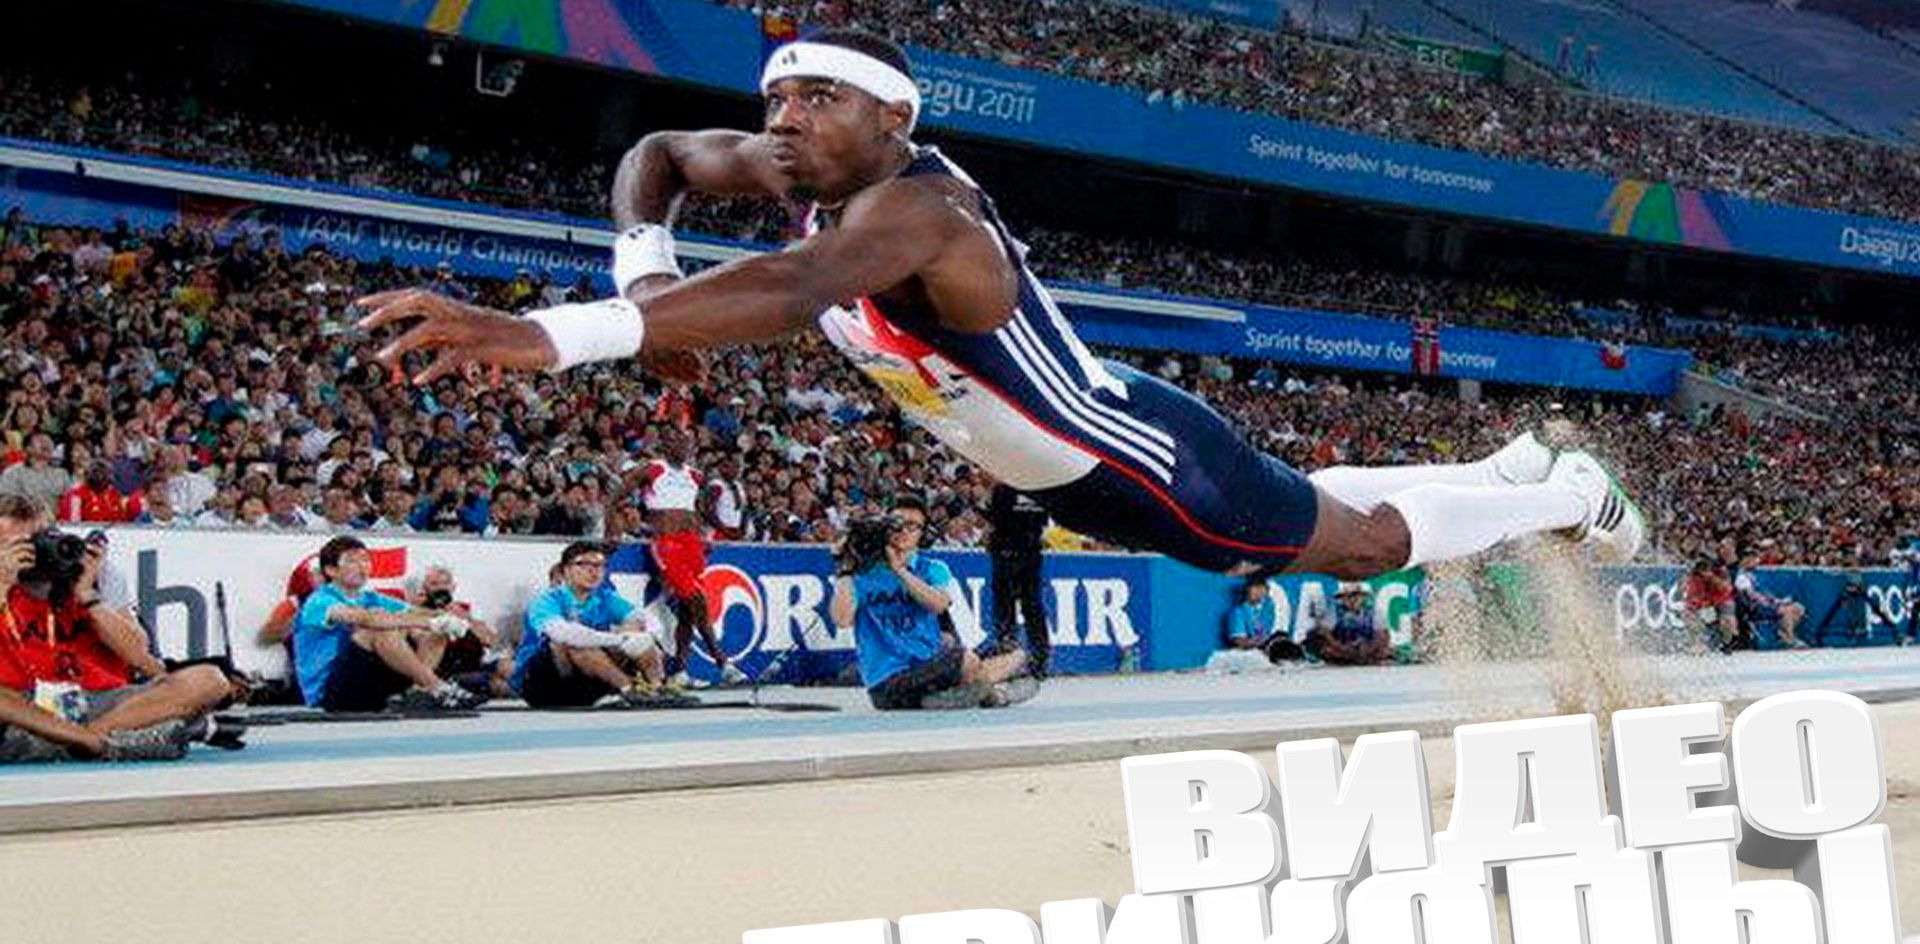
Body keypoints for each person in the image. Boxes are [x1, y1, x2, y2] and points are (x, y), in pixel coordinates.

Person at [354, 29, 1643, 585]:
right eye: (778, 98)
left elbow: (795, 288)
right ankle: (1506, 471)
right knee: (1310, 500)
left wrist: (552, 336)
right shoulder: (797, 167)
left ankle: (1563, 499)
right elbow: (656, 154)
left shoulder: (921, 213)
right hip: (1071, 458)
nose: (784, 120)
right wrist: (643, 272)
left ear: (892, 121)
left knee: (1351, 545)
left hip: (1133, 461)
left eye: (817, 101)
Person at [0, 494, 235, 762]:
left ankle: (88, 740)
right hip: (20, 704)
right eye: (16, 545)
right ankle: (124, 738)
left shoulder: (91, 572)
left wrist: (86, 595)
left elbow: (141, 658)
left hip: (101, 700)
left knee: (209, 679)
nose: (32, 552)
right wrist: (3, 583)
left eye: (38, 540)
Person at [830, 496, 1027, 710]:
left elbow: (939, 604)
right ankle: (991, 695)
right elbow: (842, 620)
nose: (903, 531)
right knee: (967, 661)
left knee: (1014, 655)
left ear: (923, 534)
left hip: (931, 668)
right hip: (887, 682)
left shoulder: (932, 568)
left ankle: (950, 694)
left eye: (912, 526)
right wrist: (843, 570)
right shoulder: (862, 573)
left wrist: (900, 570)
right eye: (896, 524)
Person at [293, 536, 483, 712]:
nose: (362, 567)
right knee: (381, 628)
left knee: (432, 633)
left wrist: (447, 619)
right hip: (330, 693)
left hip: (370, 684)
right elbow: (367, 619)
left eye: (365, 560)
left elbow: (416, 612)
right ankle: (438, 688)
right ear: (331, 570)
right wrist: (431, 622)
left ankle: (417, 693)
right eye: (352, 561)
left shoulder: (371, 597)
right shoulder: (319, 600)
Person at [636, 428, 745, 687]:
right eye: (678, 442)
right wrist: (614, 529)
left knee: (687, 611)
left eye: (688, 443)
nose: (684, 448)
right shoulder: (652, 469)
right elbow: (618, 495)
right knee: (696, 599)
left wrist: (703, 534)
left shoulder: (695, 475)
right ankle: (722, 662)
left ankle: (680, 671)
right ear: (665, 444)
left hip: (691, 543)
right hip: (667, 543)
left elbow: (698, 510)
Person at [510, 541, 670, 708]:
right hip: (545, 684)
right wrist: (620, 639)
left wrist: (645, 636)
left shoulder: (605, 597)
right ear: (566, 570)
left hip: (587, 679)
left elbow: (647, 619)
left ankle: (657, 687)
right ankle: (629, 689)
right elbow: (563, 634)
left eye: (599, 565)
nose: (593, 571)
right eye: (584, 564)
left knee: (635, 627)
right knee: (575, 643)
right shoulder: (547, 600)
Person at [411, 564, 512, 697]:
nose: (441, 588)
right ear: (425, 588)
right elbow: (416, 638)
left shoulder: (463, 610)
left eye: (445, 583)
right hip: (445, 672)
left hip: (473, 663)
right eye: (434, 584)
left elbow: (492, 641)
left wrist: (466, 618)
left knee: (508, 667)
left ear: (453, 587)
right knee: (497, 685)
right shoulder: (417, 610)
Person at [986, 482, 1050, 675]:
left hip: (1007, 551)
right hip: (1031, 551)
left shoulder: (1004, 488)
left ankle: (1007, 652)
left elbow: (997, 520)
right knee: (1033, 605)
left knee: (1005, 604)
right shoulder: (1040, 488)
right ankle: (1040, 658)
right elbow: (1044, 519)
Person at [1732, 552, 1807, 649]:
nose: (1756, 562)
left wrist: (1779, 601)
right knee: (1787, 611)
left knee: (1798, 608)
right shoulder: (1741, 578)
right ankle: (1790, 639)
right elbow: (1752, 596)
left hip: (1767, 604)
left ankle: (1783, 633)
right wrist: (1774, 603)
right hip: (1756, 608)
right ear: (1745, 561)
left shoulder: (1752, 575)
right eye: (1752, 559)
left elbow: (1764, 594)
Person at [1309, 583, 1393, 665]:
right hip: (1340, 648)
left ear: (1363, 597)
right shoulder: (1333, 611)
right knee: (1326, 649)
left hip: (1367, 648)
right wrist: (1342, 648)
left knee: (1384, 651)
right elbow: (1325, 634)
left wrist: (1368, 649)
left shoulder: (1374, 612)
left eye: (1356, 595)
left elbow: (1382, 635)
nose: (1352, 599)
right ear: (1342, 598)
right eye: (1348, 596)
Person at [1683, 558, 1738, 653]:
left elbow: (1727, 589)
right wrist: (1701, 605)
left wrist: (1713, 579)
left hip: (1721, 601)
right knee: (1690, 615)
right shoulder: (1694, 579)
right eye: (1702, 571)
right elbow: (1692, 598)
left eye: (1707, 570)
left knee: (1727, 619)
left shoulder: (1721, 573)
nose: (1705, 574)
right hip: (1705, 604)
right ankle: (1696, 642)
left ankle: (1727, 642)